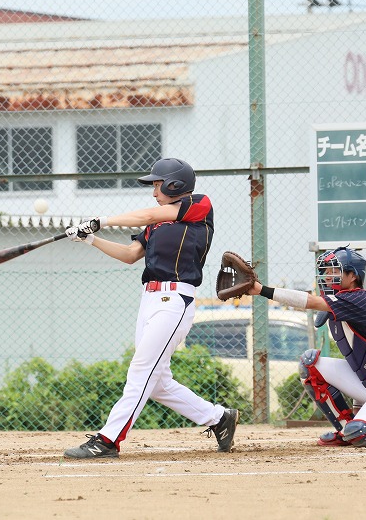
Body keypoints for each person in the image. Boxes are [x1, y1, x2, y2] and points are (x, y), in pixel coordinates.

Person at [62, 158, 238, 459]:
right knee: (158, 383)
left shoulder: (199, 205)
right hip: (149, 300)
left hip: (175, 300)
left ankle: (108, 440)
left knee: (141, 370)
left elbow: (147, 213)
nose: (154, 191)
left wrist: (102, 220)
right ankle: (219, 418)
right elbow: (131, 254)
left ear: (175, 185)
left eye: (158, 185)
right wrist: (91, 239)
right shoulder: (156, 224)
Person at [248, 246, 366, 447]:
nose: (328, 276)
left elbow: (309, 301)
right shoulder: (344, 299)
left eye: (335, 271)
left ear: (353, 276)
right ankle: (346, 428)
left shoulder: (360, 298)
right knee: (310, 364)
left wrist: (261, 290)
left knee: (362, 434)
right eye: (327, 272)